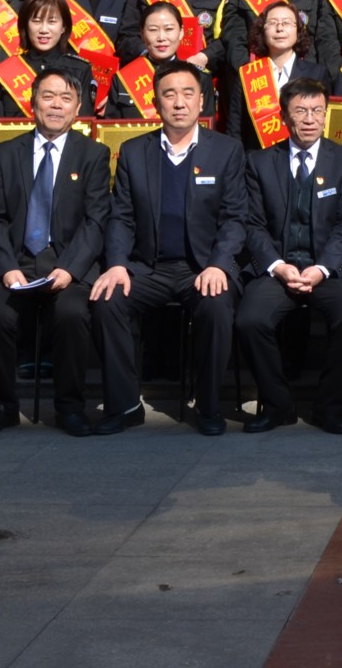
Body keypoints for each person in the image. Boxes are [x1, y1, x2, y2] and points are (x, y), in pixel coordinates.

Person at [90, 62, 250, 436]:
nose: (179, 103)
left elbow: (235, 218)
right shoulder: (134, 151)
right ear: (155, 102)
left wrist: (219, 264)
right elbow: (121, 217)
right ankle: (125, 404)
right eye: (169, 94)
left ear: (202, 101)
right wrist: (116, 264)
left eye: (188, 93)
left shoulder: (226, 150)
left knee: (216, 305)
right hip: (149, 267)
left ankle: (208, 405)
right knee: (107, 300)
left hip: (203, 267)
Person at [0, 68, 111, 437]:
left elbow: (96, 221)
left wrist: (70, 268)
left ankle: (70, 407)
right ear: (33, 104)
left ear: (78, 108)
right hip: (18, 265)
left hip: (66, 265)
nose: (56, 105)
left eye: (66, 98)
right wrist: (6, 268)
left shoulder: (93, 154)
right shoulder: (6, 153)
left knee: (71, 314)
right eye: (48, 97)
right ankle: (1, 406)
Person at [236, 77, 342, 434]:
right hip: (277, 268)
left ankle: (329, 406)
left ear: (326, 115)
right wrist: (278, 266)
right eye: (300, 111)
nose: (309, 119)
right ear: (283, 117)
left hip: (328, 269)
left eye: (317, 111)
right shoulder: (260, 162)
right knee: (249, 320)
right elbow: (252, 224)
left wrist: (322, 268)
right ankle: (278, 404)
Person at [218, 0, 331, 141]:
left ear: (298, 31)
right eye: (272, 23)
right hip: (256, 154)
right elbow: (235, 128)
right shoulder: (247, 75)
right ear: (262, 31)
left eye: (287, 23)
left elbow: (324, 122)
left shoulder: (316, 73)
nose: (279, 28)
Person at [0, 0, 101, 119]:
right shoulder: (6, 72)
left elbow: (84, 123)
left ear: (63, 27)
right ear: (25, 25)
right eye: (36, 21)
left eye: (52, 22)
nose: (44, 30)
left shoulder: (80, 70)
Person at [101, 1, 202, 122]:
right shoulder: (122, 79)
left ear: (181, 32)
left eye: (169, 29)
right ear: (142, 34)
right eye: (153, 30)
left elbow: (206, 126)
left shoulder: (198, 77)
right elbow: (111, 127)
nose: (161, 38)